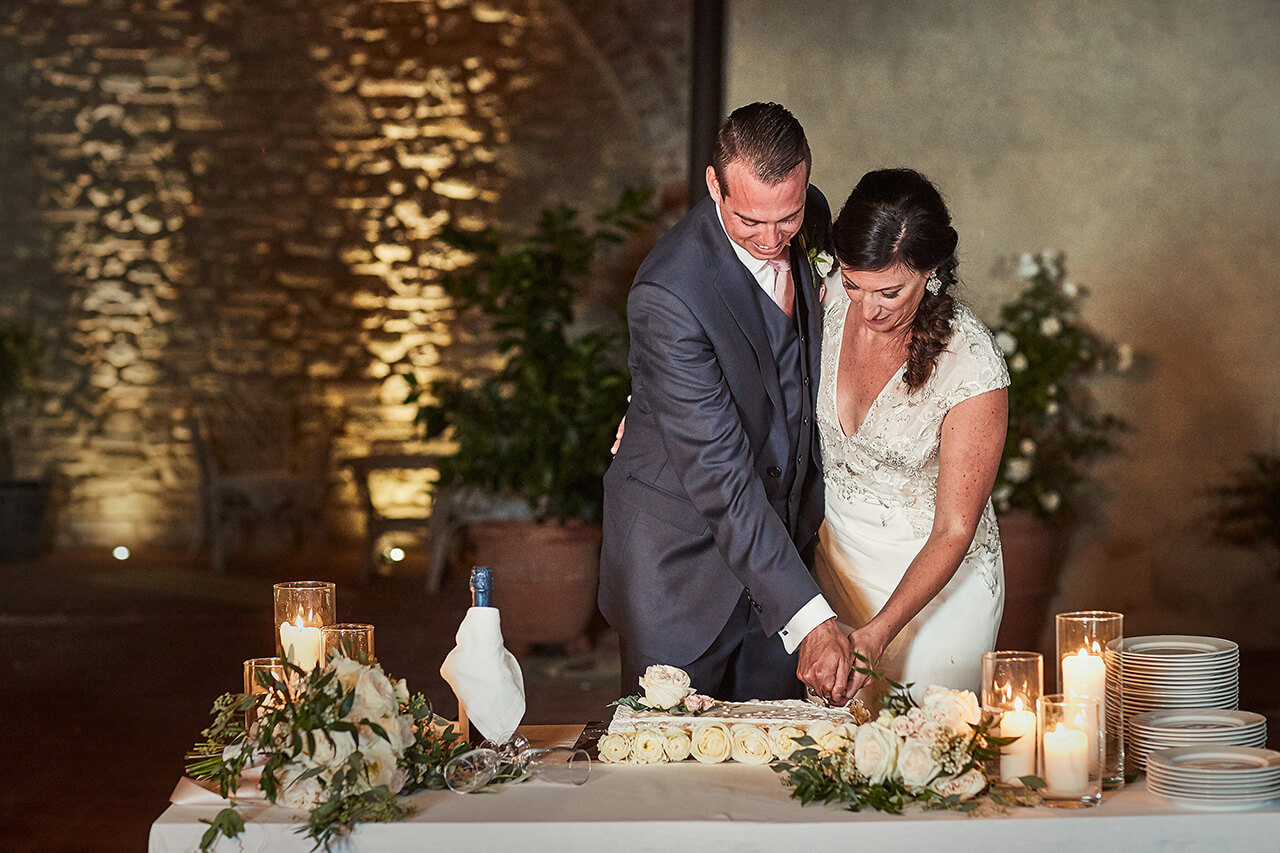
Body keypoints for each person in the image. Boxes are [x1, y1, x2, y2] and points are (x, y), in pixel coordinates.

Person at [598, 102, 854, 705]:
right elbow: (721, 475)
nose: (771, 239)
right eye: (749, 222)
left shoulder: (807, 218)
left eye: (786, 219)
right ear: (714, 185)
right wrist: (813, 619)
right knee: (672, 778)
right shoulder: (669, 293)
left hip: (781, 558)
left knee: (775, 770)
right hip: (678, 572)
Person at [814, 168, 1009, 700]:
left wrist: (878, 632)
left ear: (931, 270)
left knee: (921, 756)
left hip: (936, 587)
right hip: (836, 567)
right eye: (854, 284)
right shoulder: (829, 294)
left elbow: (952, 528)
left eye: (890, 292)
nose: (866, 308)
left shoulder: (970, 365)